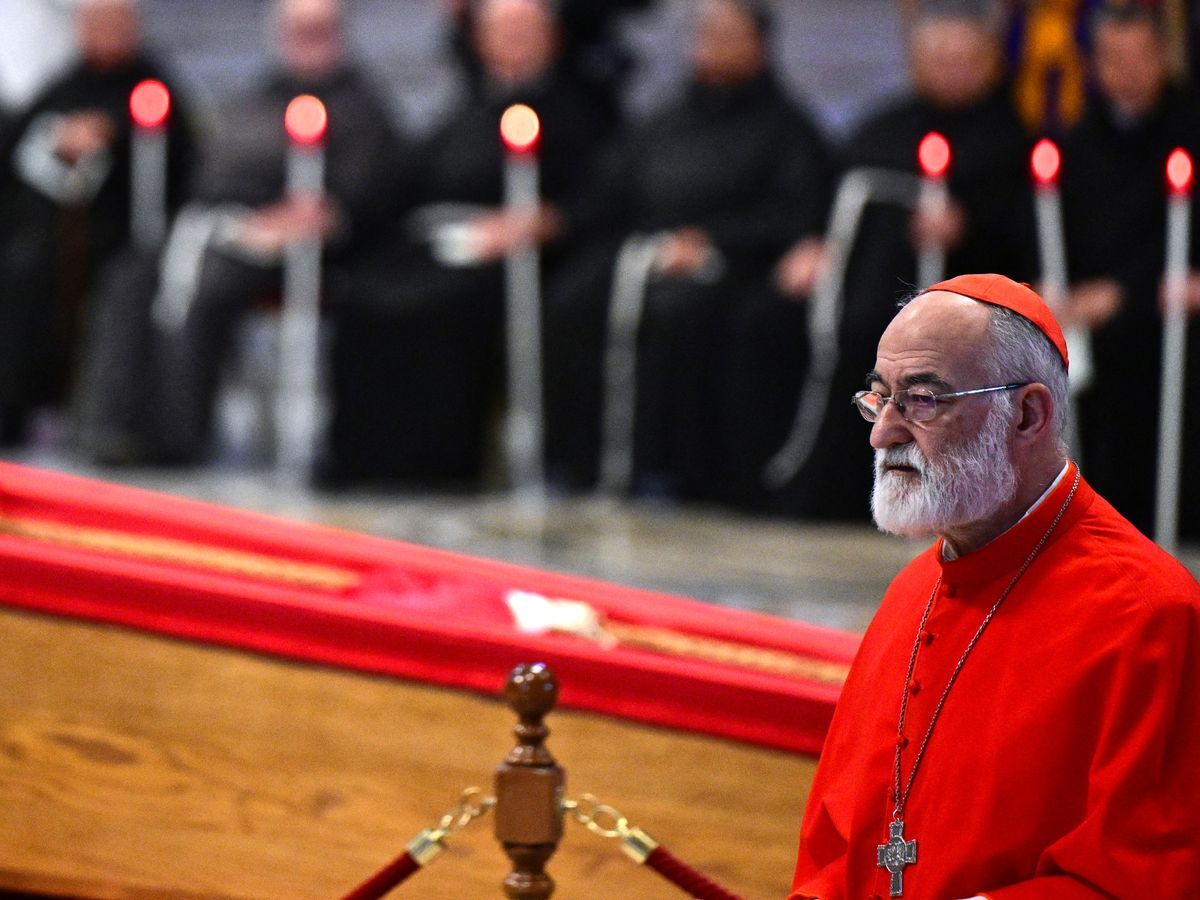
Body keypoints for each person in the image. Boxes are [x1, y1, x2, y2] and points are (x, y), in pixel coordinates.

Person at [790, 273, 1200, 899]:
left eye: (923, 400)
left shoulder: (1149, 616)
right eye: (880, 398)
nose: (883, 433)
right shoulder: (912, 591)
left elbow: (1147, 877)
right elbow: (833, 847)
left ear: (1028, 413)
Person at [75, 0, 407, 465]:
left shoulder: (360, 105)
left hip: (294, 246)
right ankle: (113, 423)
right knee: (131, 276)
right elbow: (213, 167)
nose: (307, 40)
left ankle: (176, 435)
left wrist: (324, 214)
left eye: (318, 30)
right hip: (218, 225)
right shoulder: (259, 95)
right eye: (298, 30)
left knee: (207, 283)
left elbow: (372, 190)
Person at [542, 0, 832, 498]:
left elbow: (795, 213)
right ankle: (577, 461)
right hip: (647, 251)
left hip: (732, 265)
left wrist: (714, 241)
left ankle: (664, 467)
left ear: (758, 45)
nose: (711, 47)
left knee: (677, 316)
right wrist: (557, 217)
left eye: (726, 35)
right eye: (704, 35)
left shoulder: (787, 127)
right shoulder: (665, 119)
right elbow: (611, 190)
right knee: (573, 300)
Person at [324, 0, 611, 486]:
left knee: (440, 308)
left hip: (516, 255)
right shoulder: (470, 104)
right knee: (363, 295)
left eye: (525, 30)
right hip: (440, 241)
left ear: (553, 39)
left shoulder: (581, 110)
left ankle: (439, 465)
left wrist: (542, 220)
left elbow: (599, 194)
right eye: (501, 31)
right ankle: (364, 462)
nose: (512, 43)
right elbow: (409, 180)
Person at [770, 1, 1036, 520]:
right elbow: (832, 199)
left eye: (966, 60)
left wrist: (969, 225)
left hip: (964, 297)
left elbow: (1030, 232)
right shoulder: (882, 129)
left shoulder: (1012, 139)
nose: (953, 72)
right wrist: (815, 243)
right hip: (863, 287)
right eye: (941, 59)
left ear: (989, 63)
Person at [0, 0, 196, 446]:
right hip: (47, 235)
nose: (102, 34)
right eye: (93, 24)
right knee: (20, 272)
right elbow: (16, 145)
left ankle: (103, 422)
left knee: (119, 283)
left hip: (124, 229)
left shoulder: (151, 84)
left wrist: (111, 133)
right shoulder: (66, 82)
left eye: (113, 23)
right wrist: (58, 138)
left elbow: (175, 159)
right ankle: (14, 409)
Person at [1057, 3, 1200, 538]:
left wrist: (1124, 293)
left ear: (1165, 57)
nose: (1128, 72)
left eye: (1141, 57)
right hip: (1101, 337)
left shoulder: (1188, 131)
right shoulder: (1076, 142)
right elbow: (1050, 231)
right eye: (1114, 59)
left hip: (1174, 325)